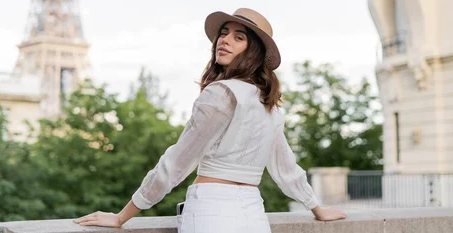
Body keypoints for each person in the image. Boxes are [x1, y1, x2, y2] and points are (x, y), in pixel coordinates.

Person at [73, 8, 347, 232]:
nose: (224, 40)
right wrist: (316, 208)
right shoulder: (269, 105)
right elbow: (285, 167)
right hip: (253, 213)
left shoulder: (221, 93)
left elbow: (177, 162)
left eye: (239, 37)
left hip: (211, 211)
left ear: (253, 52)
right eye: (224, 33)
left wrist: (122, 216)